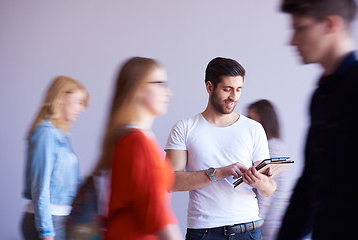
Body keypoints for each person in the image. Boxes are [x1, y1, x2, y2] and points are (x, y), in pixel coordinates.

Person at [165, 57, 276, 240]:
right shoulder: (184, 128)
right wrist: (219, 172)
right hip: (204, 232)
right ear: (209, 87)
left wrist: (259, 182)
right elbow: (169, 181)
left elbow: (270, 188)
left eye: (238, 89)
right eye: (227, 89)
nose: (234, 96)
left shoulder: (254, 128)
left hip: (248, 230)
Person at [278, 0, 358, 239]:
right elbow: (311, 180)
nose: (291, 40)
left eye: (300, 28)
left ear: (330, 24)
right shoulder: (321, 95)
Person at [92, 57, 183, 240]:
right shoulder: (136, 143)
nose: (168, 93)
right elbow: (157, 215)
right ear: (138, 87)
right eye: (160, 84)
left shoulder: (133, 139)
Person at [21, 76, 89, 240]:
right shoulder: (46, 133)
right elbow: (40, 187)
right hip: (49, 221)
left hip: (60, 220)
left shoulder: (61, 135)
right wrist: (46, 232)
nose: (82, 109)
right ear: (61, 97)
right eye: (78, 101)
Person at [247, 99, 292, 240]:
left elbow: (265, 193)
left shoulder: (268, 149)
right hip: (280, 220)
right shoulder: (278, 145)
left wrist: (253, 224)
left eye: (251, 118)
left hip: (269, 225)